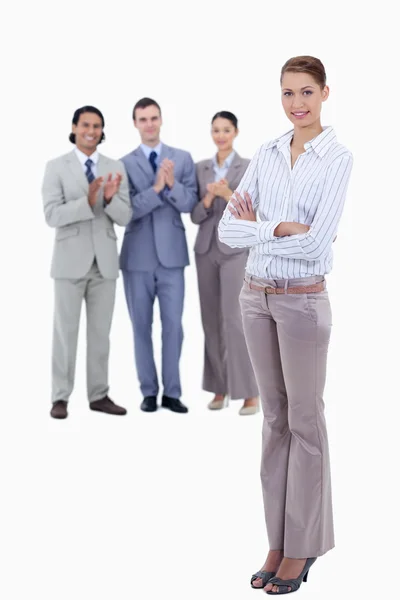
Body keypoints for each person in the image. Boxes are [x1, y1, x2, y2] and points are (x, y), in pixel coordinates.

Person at [218, 56, 353, 594]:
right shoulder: (269, 153)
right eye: (287, 93)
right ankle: (275, 539)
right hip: (256, 298)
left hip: (301, 304)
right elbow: (230, 231)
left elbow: (319, 245)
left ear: (324, 93)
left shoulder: (337, 158)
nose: (296, 103)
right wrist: (277, 226)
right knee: (273, 422)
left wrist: (259, 228)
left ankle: (303, 546)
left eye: (306, 92)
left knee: (305, 424)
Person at [43, 106, 132, 419]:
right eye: (85, 125)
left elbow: (125, 216)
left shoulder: (114, 165)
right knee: (64, 333)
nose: (91, 130)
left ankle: (99, 395)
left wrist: (107, 199)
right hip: (69, 263)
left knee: (100, 334)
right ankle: (60, 397)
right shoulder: (57, 167)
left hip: (105, 263)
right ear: (74, 127)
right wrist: (90, 200)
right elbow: (52, 215)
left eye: (96, 126)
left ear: (102, 130)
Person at [120, 98, 197, 414]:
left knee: (173, 327)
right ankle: (149, 392)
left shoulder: (182, 158)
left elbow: (190, 203)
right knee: (140, 327)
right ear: (135, 124)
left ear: (161, 120)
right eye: (143, 119)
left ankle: (173, 392)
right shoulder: (122, 164)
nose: (149, 124)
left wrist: (171, 185)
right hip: (136, 259)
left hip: (172, 258)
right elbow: (126, 211)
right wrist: (155, 190)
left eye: (154, 118)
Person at [191, 111, 259, 415]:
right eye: (216, 130)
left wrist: (227, 193)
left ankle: (249, 393)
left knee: (235, 321)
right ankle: (219, 388)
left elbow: (252, 209)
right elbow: (194, 215)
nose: (221, 135)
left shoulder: (248, 167)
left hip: (234, 251)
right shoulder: (200, 168)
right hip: (206, 249)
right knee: (211, 322)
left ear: (236, 132)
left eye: (226, 130)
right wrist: (208, 199)